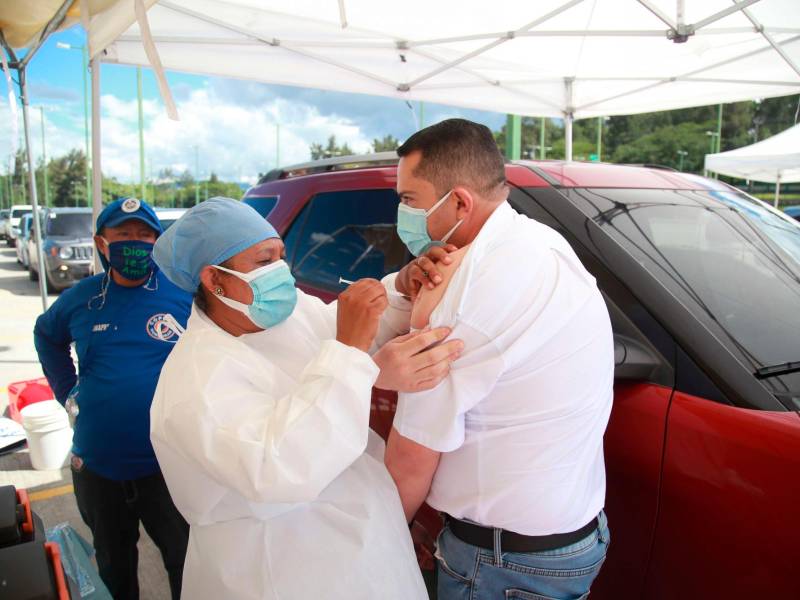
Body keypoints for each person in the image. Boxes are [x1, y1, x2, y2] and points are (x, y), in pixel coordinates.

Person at [149, 197, 462, 600]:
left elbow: (348, 329)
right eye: (264, 261)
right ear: (214, 280)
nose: (281, 271)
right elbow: (280, 466)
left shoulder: (285, 317)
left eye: (281, 255)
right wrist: (358, 364)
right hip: (279, 572)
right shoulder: (195, 381)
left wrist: (400, 290)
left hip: (363, 553)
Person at [384, 119, 615, 600]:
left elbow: (411, 458)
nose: (400, 212)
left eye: (408, 199)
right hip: (569, 541)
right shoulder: (536, 242)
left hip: (505, 564)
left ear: (461, 202)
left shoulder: (463, 295)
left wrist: (382, 545)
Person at [33, 198, 191, 600]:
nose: (134, 243)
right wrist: (67, 391)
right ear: (102, 243)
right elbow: (46, 335)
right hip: (99, 467)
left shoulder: (181, 295)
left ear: (158, 241)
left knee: (184, 561)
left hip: (166, 466)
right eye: (123, 235)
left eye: (144, 235)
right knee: (114, 566)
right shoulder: (82, 298)